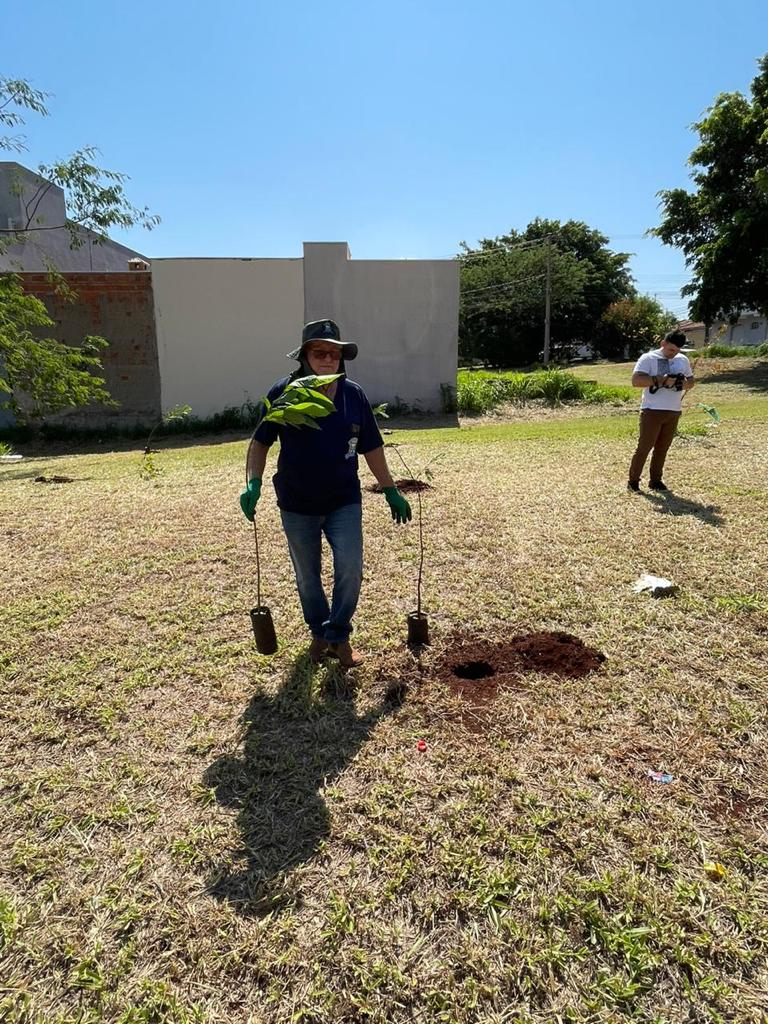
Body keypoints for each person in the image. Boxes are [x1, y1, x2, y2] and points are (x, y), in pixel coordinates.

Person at [239, 319, 412, 668]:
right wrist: (252, 483)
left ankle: (339, 637)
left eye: (335, 353)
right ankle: (319, 633)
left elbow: (372, 446)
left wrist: (390, 489)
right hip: (296, 502)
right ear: (304, 356)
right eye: (320, 352)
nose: (328, 358)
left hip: (343, 500)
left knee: (351, 568)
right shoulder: (284, 393)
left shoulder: (353, 395)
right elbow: (260, 442)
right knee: (308, 575)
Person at [627, 329, 695, 492]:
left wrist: (678, 384)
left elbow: (691, 382)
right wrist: (660, 380)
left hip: (673, 411)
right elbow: (636, 381)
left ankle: (655, 480)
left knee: (662, 448)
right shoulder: (648, 358)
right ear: (662, 344)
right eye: (671, 349)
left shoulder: (682, 360)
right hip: (652, 410)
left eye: (677, 351)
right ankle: (633, 481)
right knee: (644, 447)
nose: (673, 354)